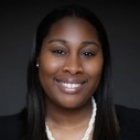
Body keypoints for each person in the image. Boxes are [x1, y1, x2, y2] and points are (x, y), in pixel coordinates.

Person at [0, 4, 140, 140]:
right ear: (38, 57)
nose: (73, 68)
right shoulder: (4, 132)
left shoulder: (135, 128)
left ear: (103, 61)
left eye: (88, 53)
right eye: (59, 51)